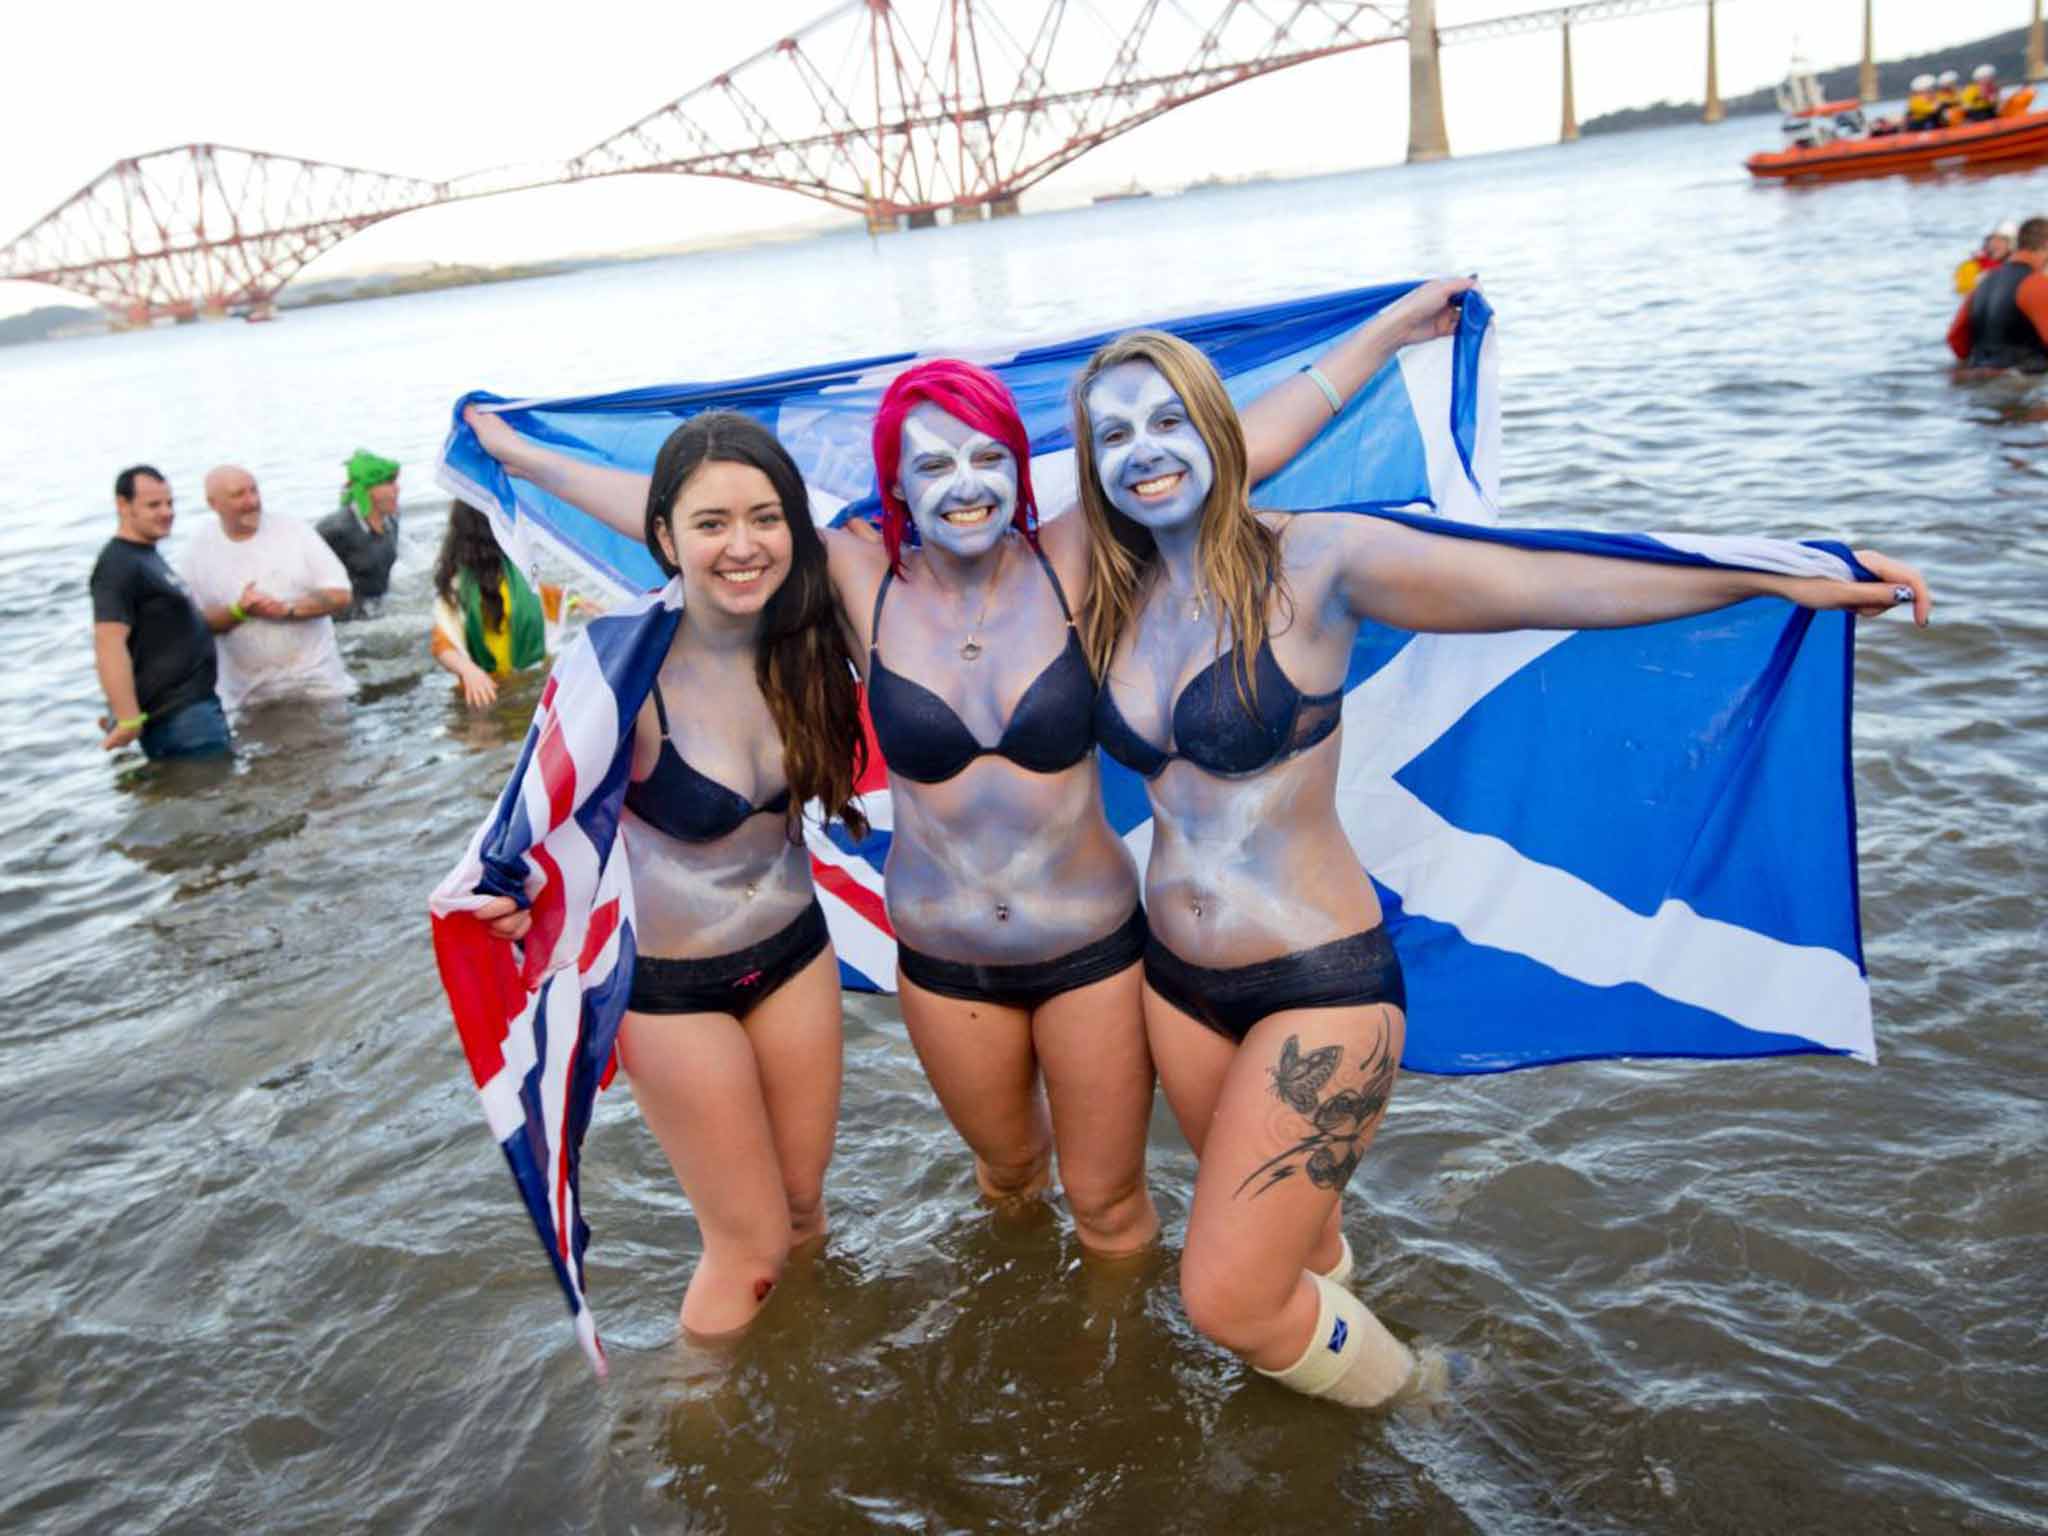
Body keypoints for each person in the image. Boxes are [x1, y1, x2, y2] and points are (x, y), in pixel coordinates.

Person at [461, 295, 1447, 1266]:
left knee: (1108, 1209)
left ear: (1017, 472)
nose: (963, 484)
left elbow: (1235, 452)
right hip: (941, 962)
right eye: (932, 463)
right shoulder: (858, 576)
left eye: (986, 457)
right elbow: (699, 513)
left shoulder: (1071, 558)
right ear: (896, 482)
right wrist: (528, 459)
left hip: (1092, 953)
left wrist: (1381, 337)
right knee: (1009, 1182)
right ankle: (1027, 1337)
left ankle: (1115, 1390)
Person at [1066, 320, 1932, 1410]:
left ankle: (1426, 1399)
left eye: (1168, 420)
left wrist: (1770, 573)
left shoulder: (1320, 560)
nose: (1144, 448)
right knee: (1297, 1240)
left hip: (1317, 983)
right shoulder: (1108, 598)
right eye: (1112, 435)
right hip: (1176, 988)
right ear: (1092, 465)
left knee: (1226, 1300)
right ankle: (1329, 1391)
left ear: (1215, 432)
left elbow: (1543, 581)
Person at [471, 412, 869, 1338]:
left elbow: (761, 530)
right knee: (748, 1249)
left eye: (765, 519)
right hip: (670, 991)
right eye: (709, 525)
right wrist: (517, 894)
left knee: (806, 1214)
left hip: (795, 957)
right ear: (662, 538)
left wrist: (536, 459)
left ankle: (807, 1397)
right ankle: (700, 1443)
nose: (742, 546)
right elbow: (534, 828)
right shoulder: (621, 671)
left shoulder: (810, 636)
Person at [180, 465, 355, 711]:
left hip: (319, 686)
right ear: (213, 503)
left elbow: (340, 594)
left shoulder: (294, 531)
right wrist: (240, 611)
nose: (251, 501)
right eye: (238, 495)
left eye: (254, 491)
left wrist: (287, 610)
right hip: (248, 698)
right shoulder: (197, 551)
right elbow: (194, 624)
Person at [88, 465, 230, 759]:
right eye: (153, 505)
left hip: (197, 707)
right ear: (122, 505)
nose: (166, 512)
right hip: (178, 717)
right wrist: (127, 718)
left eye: (170, 503)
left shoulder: (146, 556)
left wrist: (238, 611)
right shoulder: (117, 565)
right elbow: (108, 643)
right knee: (206, 800)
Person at [429, 499, 593, 708]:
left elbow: (539, 595)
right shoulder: (456, 586)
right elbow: (442, 643)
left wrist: (574, 601)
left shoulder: (514, 573)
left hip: (527, 681)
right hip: (483, 691)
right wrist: (469, 671)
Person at [1948, 215, 2048, 371]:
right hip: (2018, 382)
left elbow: (1956, 341)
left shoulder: (1982, 283)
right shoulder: (2035, 283)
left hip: (1977, 376)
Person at [315, 449, 402, 618]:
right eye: (389, 482)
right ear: (367, 489)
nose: (397, 489)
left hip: (378, 610)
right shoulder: (335, 530)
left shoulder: (391, 522)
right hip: (347, 626)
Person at [1954, 220, 2016, 296]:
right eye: (1993, 239)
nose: (1996, 244)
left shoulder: (2017, 269)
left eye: (2003, 240)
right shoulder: (1969, 267)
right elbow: (1964, 293)